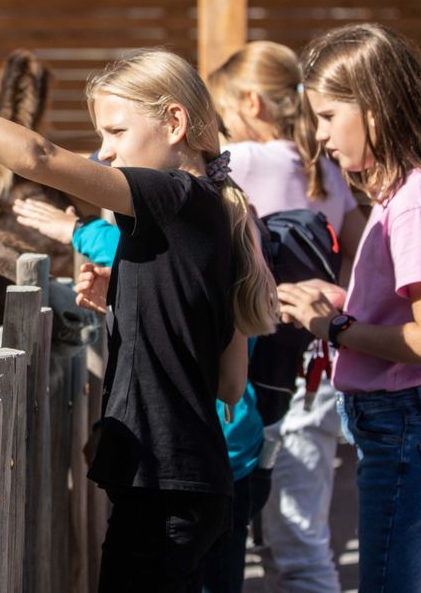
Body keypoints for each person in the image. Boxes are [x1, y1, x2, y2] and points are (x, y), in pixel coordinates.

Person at [0, 48, 279, 591]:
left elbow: (37, 157)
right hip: (193, 483)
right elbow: (228, 383)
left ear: (175, 122)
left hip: (164, 489)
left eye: (114, 132)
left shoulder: (172, 196)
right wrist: (130, 301)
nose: (105, 154)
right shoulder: (212, 210)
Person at [276, 23, 421, 593]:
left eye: (328, 117)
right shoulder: (405, 198)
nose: (319, 138)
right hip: (404, 425)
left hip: (410, 424)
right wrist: (343, 301)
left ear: (377, 109)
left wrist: (333, 326)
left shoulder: (414, 207)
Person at [15, 195, 266, 593]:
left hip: (171, 482)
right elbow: (221, 379)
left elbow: (225, 383)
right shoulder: (223, 270)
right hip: (203, 472)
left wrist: (78, 232)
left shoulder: (195, 252)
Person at [208, 41, 366, 593]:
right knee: (300, 537)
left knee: (269, 533)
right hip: (314, 368)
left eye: (222, 113)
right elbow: (360, 255)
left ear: (251, 103)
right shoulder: (328, 165)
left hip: (261, 370)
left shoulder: (243, 162)